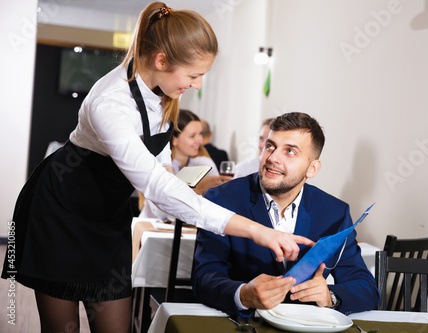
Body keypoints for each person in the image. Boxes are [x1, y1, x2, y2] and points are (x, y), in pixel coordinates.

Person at [1, 4, 312, 333]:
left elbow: (159, 163)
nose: (197, 85)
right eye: (193, 75)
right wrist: (258, 230)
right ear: (161, 60)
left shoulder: (163, 91)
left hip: (109, 217)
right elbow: (155, 185)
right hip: (62, 212)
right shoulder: (111, 102)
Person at [193, 112, 379, 317]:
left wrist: (329, 296)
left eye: (290, 151)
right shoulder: (221, 199)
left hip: (307, 326)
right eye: (270, 146)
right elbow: (204, 277)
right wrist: (243, 295)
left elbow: (366, 288)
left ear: (312, 168)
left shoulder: (334, 213)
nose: (273, 158)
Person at [139, 109, 232, 220]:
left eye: (200, 134)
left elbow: (218, 203)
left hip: (187, 230)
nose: (200, 140)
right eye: (192, 136)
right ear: (174, 139)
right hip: (152, 227)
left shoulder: (204, 163)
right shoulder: (160, 165)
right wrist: (197, 189)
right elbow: (160, 212)